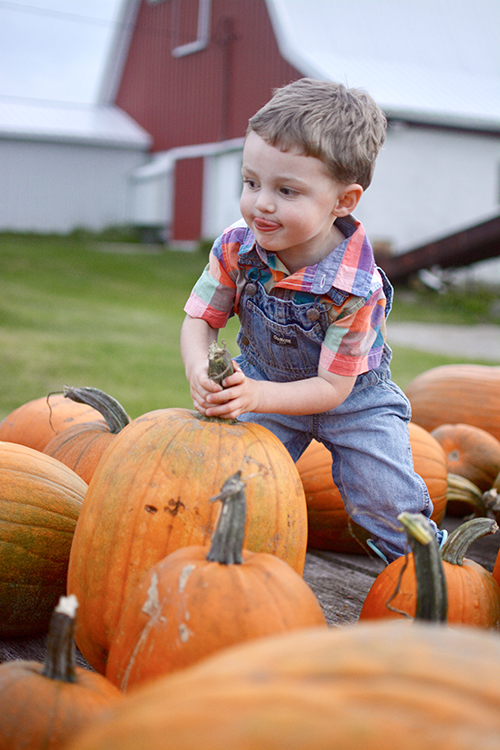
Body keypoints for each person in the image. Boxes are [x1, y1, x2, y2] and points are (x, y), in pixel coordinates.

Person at [181, 77, 445, 563]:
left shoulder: (357, 287)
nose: (262, 203)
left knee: (386, 501)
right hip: (264, 381)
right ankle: (221, 568)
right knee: (228, 483)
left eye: (286, 190)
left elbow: (331, 389)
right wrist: (200, 368)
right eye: (251, 182)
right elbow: (200, 319)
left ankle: (426, 574)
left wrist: (255, 396)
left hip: (353, 401)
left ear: (343, 201)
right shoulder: (237, 248)